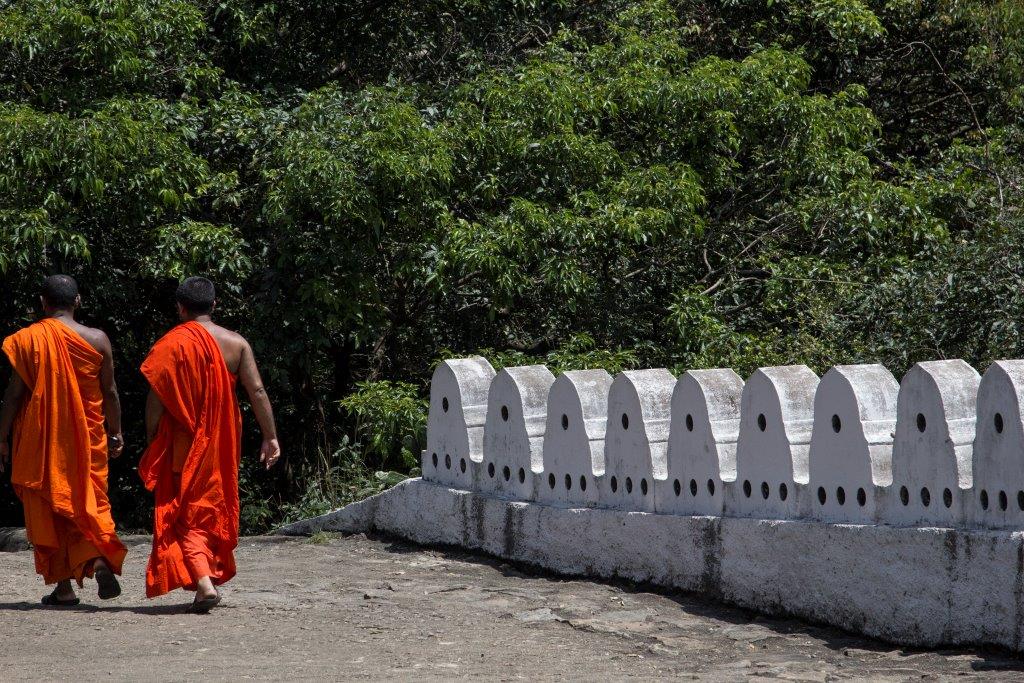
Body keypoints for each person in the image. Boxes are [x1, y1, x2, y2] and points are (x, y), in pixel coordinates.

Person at [140, 276, 280, 613]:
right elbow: (257, 391)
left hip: (182, 444)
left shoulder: (170, 344)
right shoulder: (236, 343)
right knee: (207, 510)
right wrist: (270, 436)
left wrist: (152, 438)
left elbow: (156, 399)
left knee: (183, 514)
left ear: (180, 308)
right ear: (214, 305)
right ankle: (205, 579)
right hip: (220, 443)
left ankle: (203, 583)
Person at [0, 275, 127, 606]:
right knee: (87, 501)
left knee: (51, 506)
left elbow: (13, 395)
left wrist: (2, 437)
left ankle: (64, 588)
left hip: (44, 442)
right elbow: (110, 391)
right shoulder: (98, 339)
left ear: (43, 303)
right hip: (87, 441)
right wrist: (115, 431)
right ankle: (96, 558)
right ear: (78, 301)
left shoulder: (29, 339)